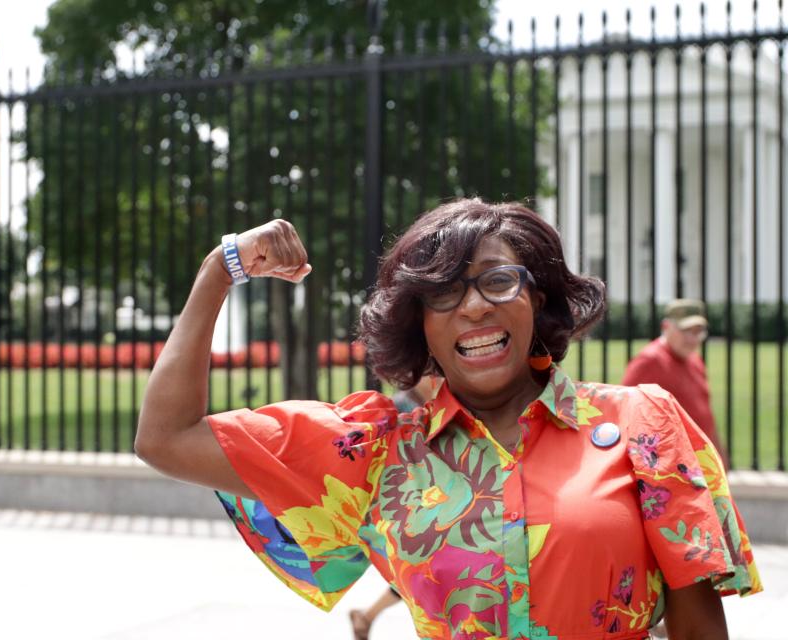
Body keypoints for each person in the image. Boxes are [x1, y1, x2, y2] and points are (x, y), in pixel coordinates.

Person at [135, 199, 761, 639]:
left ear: (534, 298)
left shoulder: (641, 422)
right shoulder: (376, 451)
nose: (473, 309)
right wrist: (222, 270)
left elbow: (699, 628)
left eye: (496, 281)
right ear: (421, 326)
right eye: (442, 293)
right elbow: (165, 439)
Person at [349, 375, 439, 640]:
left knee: (416, 576)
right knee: (416, 574)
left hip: (423, 511)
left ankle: (366, 617)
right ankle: (366, 617)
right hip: (408, 512)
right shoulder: (401, 412)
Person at [622, 299, 727, 466]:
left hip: (701, 462)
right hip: (672, 467)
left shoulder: (694, 360)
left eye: (698, 332)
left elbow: (706, 414)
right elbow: (626, 415)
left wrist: (720, 458)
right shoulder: (650, 360)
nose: (693, 339)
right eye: (686, 331)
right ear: (666, 327)